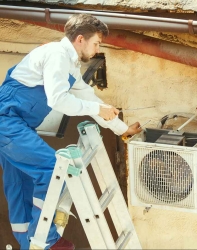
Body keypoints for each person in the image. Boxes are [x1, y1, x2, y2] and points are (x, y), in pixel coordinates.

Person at [0, 13, 142, 250]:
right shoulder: (56, 55)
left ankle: (27, 243)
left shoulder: (70, 65)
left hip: (18, 125)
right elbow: (58, 100)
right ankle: (44, 240)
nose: (97, 50)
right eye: (96, 43)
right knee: (50, 170)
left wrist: (122, 129)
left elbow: (88, 98)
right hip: (7, 120)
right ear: (80, 39)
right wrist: (96, 108)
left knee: (19, 183)